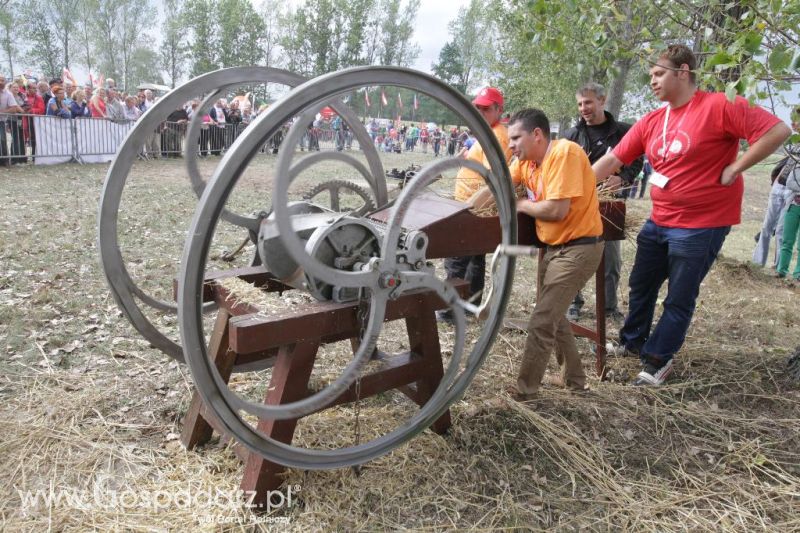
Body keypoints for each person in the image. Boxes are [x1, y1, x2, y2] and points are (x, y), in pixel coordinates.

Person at [592, 44, 791, 386]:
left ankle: (658, 359)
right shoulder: (654, 119)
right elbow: (613, 161)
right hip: (659, 220)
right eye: (651, 75)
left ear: (683, 72)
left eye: (658, 74)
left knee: (679, 296)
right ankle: (632, 341)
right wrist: (571, 185)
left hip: (701, 224)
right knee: (641, 284)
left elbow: (778, 130)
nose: (652, 81)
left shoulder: (719, 105)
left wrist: (736, 167)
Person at [506, 108, 605, 398]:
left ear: (537, 134)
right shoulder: (526, 163)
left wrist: (521, 205)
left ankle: (525, 393)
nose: (510, 145)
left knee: (542, 320)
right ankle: (576, 382)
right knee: (556, 316)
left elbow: (556, 210)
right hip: (552, 248)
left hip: (579, 248)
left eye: (515, 138)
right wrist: (466, 206)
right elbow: (498, 183)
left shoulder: (564, 153)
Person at [563, 82, 642, 322]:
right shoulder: (571, 136)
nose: (583, 108)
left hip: (609, 205)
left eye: (588, 102)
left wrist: (624, 178)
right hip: (577, 205)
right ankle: (573, 303)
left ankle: (608, 308)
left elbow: (637, 158)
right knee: (574, 254)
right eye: (579, 104)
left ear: (602, 100)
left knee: (610, 259)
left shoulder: (624, 132)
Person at [438, 87, 513, 324]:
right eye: (477, 107)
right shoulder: (487, 132)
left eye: (486, 108)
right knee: (474, 258)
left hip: (475, 206)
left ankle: (452, 307)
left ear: (499, 110)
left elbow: (494, 179)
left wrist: (472, 206)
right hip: (470, 203)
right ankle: (470, 305)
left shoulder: (498, 136)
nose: (479, 112)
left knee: (457, 255)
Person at [753, 108, 800, 269]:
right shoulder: (793, 141)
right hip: (779, 185)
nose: (793, 123)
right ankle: (758, 262)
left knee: (781, 229)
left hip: (791, 190)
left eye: (796, 120)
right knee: (767, 226)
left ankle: (779, 266)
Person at [775, 108, 800, 281]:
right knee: (787, 239)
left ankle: (798, 274)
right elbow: (790, 181)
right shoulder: (796, 153)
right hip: (794, 204)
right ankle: (781, 270)